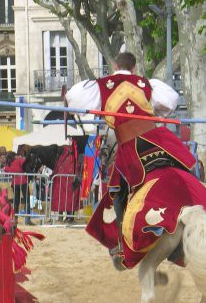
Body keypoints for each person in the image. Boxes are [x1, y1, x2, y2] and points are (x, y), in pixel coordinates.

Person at [66, 52, 196, 265]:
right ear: (135, 68)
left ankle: (121, 244)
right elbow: (171, 101)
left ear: (115, 66)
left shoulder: (104, 85)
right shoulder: (146, 84)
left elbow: (74, 98)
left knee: (118, 190)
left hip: (129, 145)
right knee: (184, 166)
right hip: (157, 138)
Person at [4, 151, 34, 225]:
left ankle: (15, 219)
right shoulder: (19, 160)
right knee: (26, 200)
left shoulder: (8, 164)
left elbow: (6, 172)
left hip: (14, 183)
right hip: (23, 181)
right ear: (14, 156)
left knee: (16, 202)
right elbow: (25, 164)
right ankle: (27, 219)